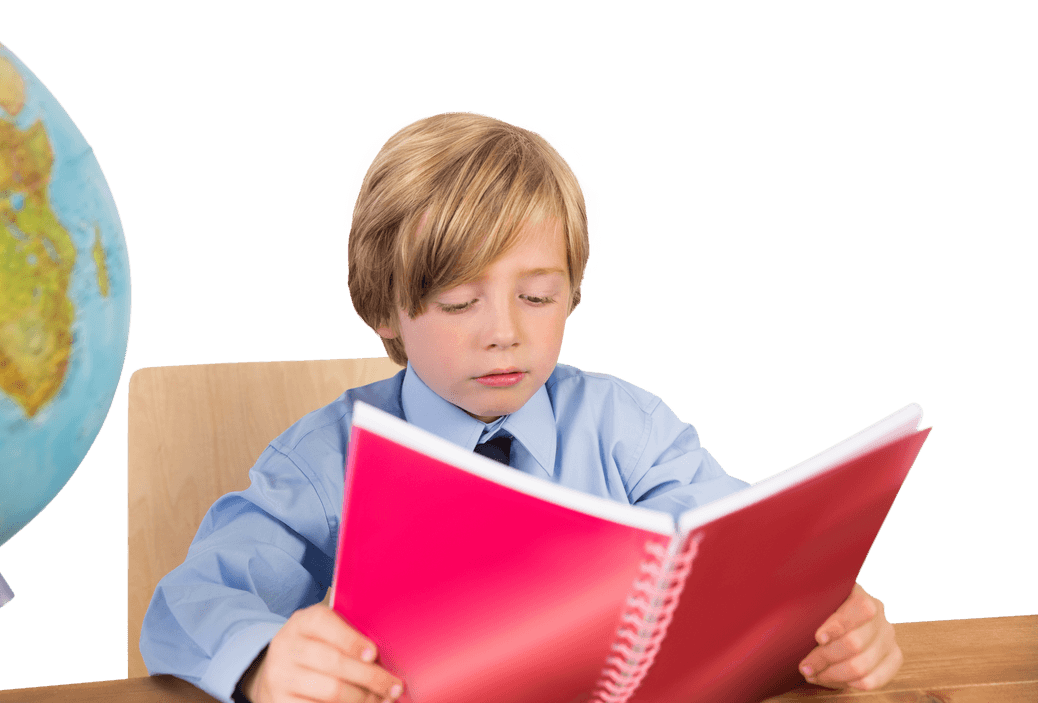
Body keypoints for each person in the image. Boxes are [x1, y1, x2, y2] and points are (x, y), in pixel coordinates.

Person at [140, 111, 902, 703]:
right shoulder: (324, 463)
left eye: (536, 295)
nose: (504, 332)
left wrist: (828, 619)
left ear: (573, 289)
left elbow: (745, 551)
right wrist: (267, 662)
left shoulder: (627, 429)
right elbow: (188, 603)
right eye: (459, 300)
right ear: (383, 309)